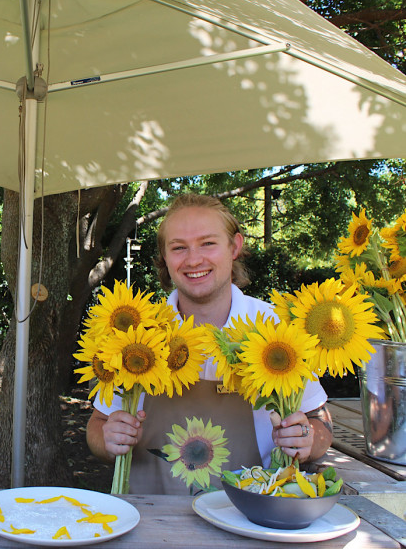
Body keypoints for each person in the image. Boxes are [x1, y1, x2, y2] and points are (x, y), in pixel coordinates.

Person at [86, 193, 333, 494]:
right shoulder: (137, 333)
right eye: (179, 247)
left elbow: (320, 422)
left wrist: (307, 439)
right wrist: (108, 439)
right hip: (149, 516)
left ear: (235, 246)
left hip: (251, 513)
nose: (193, 260)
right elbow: (98, 424)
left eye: (207, 243)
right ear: (164, 257)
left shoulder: (276, 330)